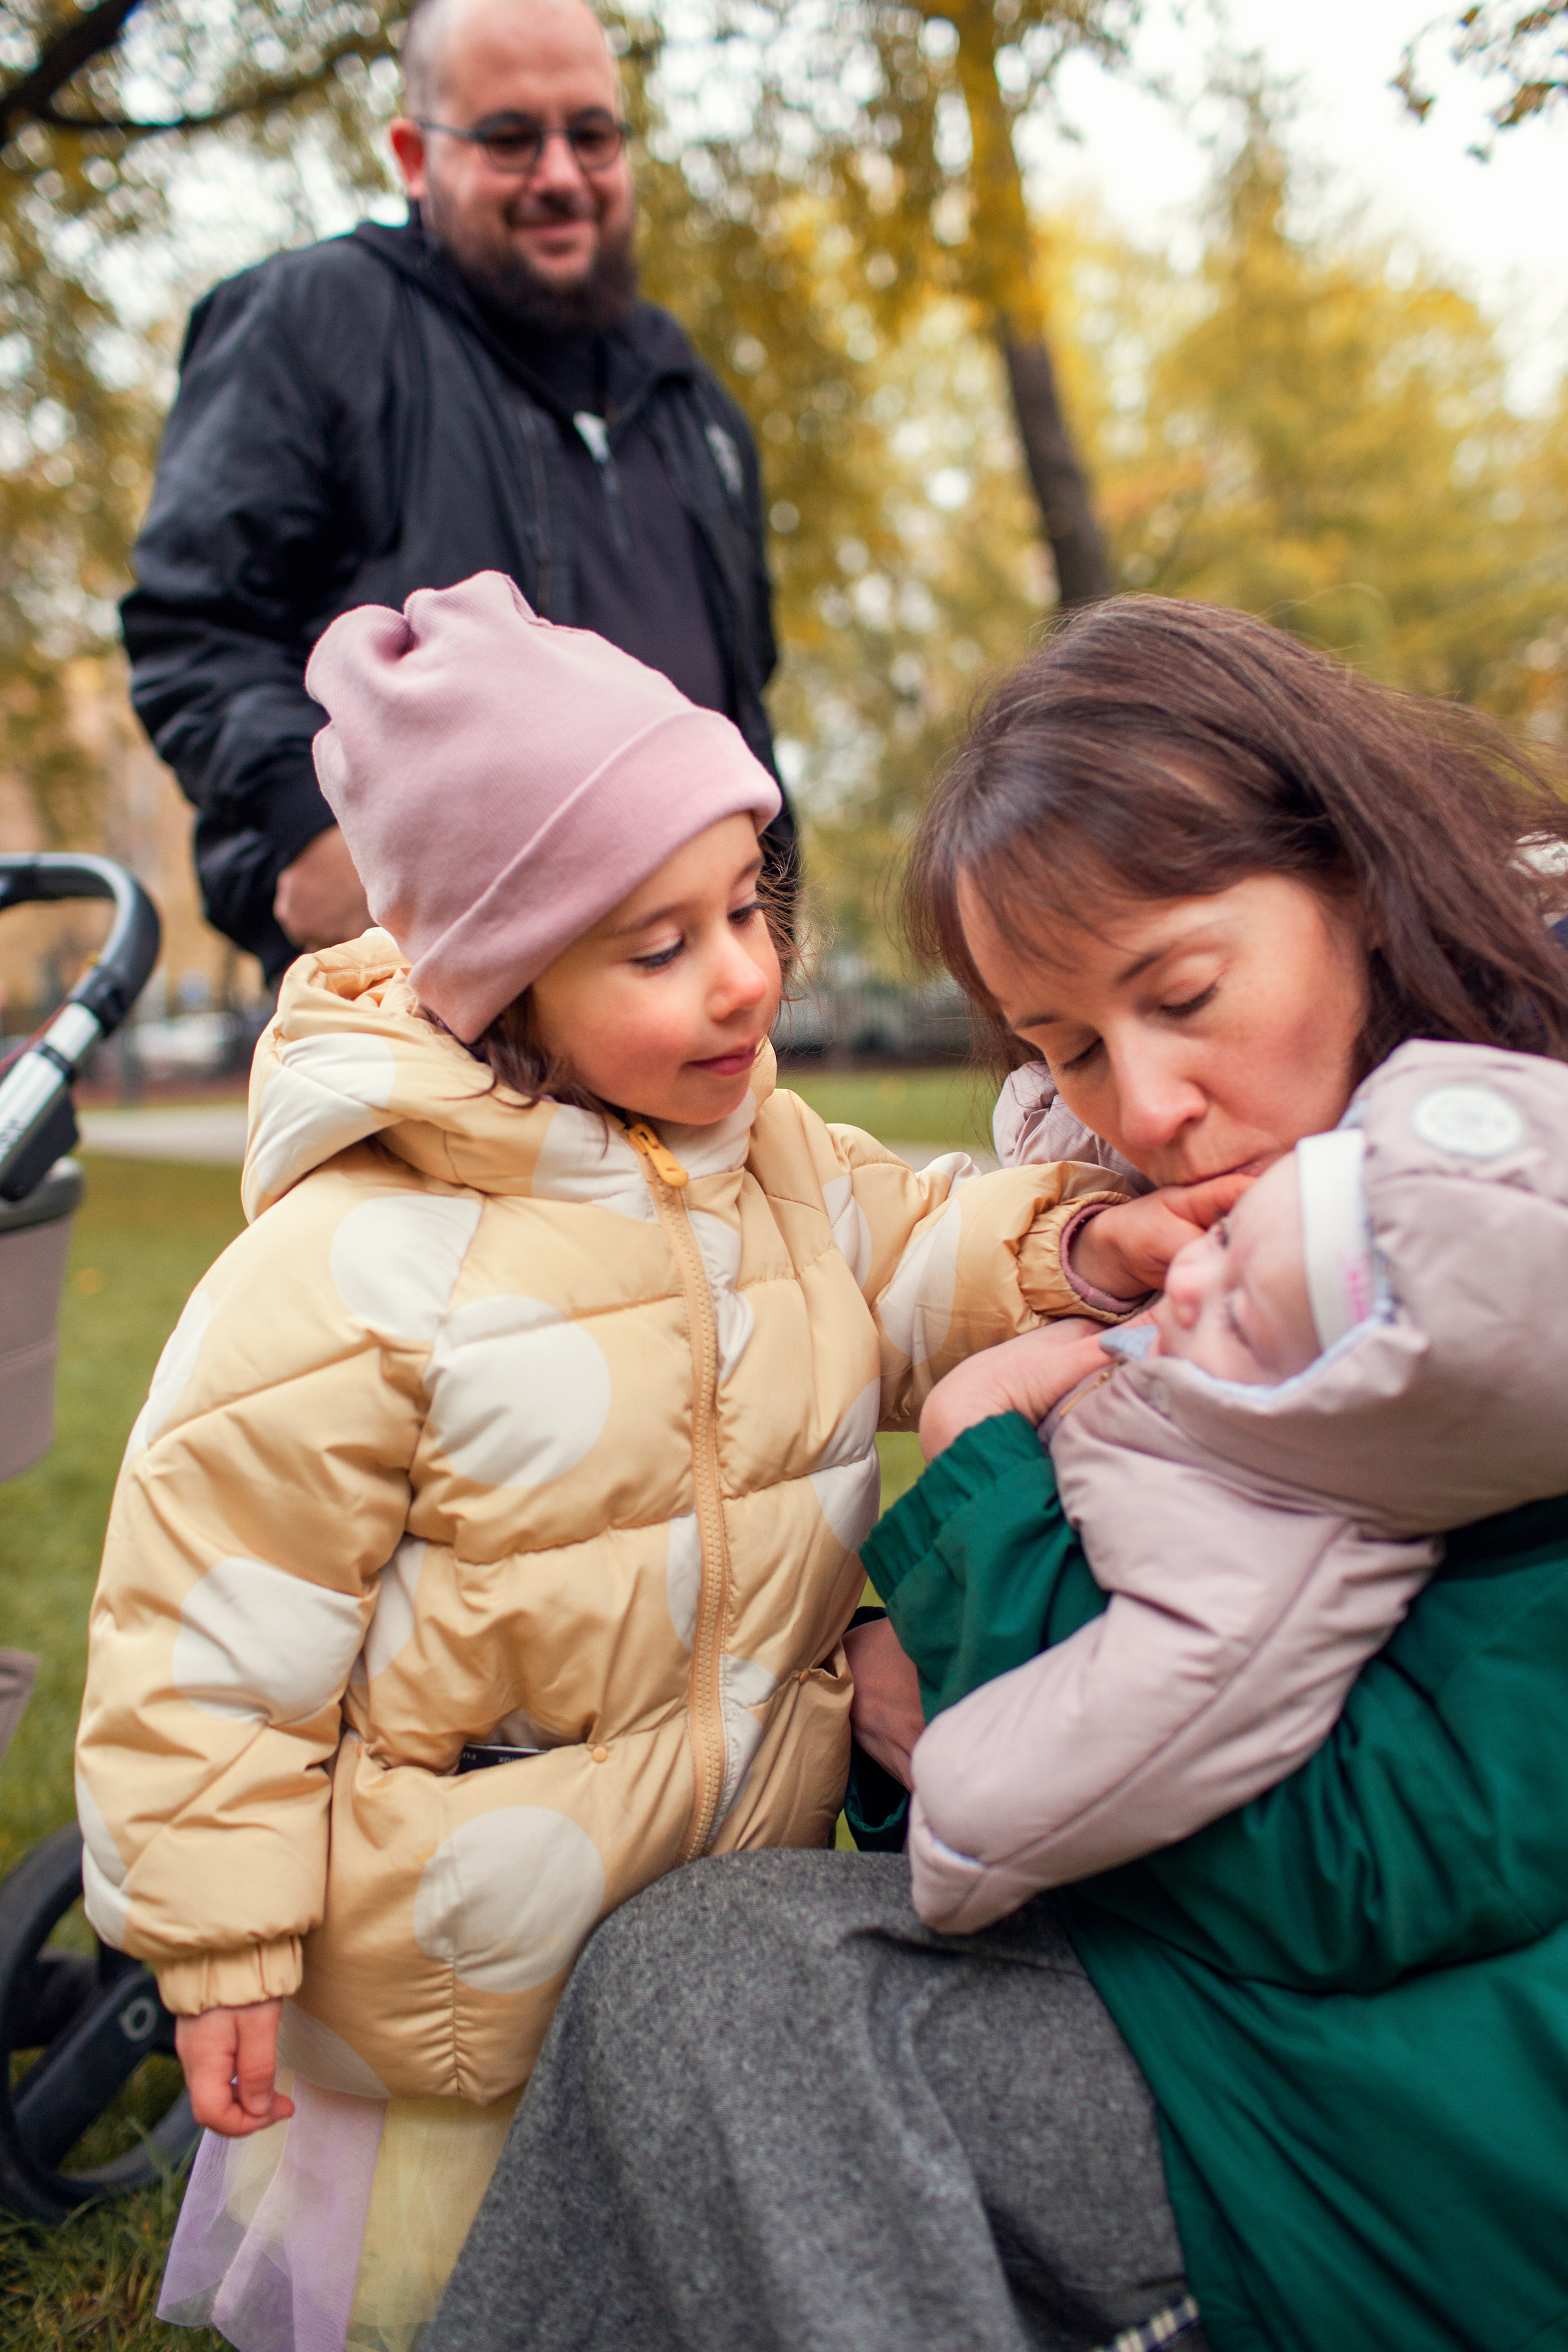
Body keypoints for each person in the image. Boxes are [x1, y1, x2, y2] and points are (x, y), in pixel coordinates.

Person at [421, 596, 1568, 2352]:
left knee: (721, 1992)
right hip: (1296, 2013)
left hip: (1434, 2124)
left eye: (1181, 996)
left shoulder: (1507, 1247)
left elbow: (1356, 1862)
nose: (1152, 1103)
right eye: (1072, 1050)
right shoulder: (1274, 1234)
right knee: (690, 1972)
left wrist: (967, 1523)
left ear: (1359, 879)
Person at [77, 572, 1139, 2352]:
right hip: (459, 1975)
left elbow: (907, 1252)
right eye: (659, 947)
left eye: (748, 904)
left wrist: (1080, 1251)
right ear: (503, 985)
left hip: (719, 1884)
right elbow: (213, 1633)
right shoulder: (358, 1268)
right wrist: (221, 1936)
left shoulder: (772, 1161)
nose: (745, 975)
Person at [121, 0, 792, 986]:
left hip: (693, 1015)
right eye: (510, 138)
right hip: (438, 1016)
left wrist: (770, 917)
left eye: (592, 135)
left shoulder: (695, 403)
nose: (561, 175)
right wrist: (313, 828)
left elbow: (745, 705)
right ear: (412, 154)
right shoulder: (310, 324)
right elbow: (196, 627)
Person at [897, 1038, 1568, 1932]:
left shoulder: (1265, 1579)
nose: (1189, 1283)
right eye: (1225, 1237)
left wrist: (979, 1459)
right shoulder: (1267, 1402)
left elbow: (998, 1803)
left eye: (1242, 1314)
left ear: (1347, 1408)